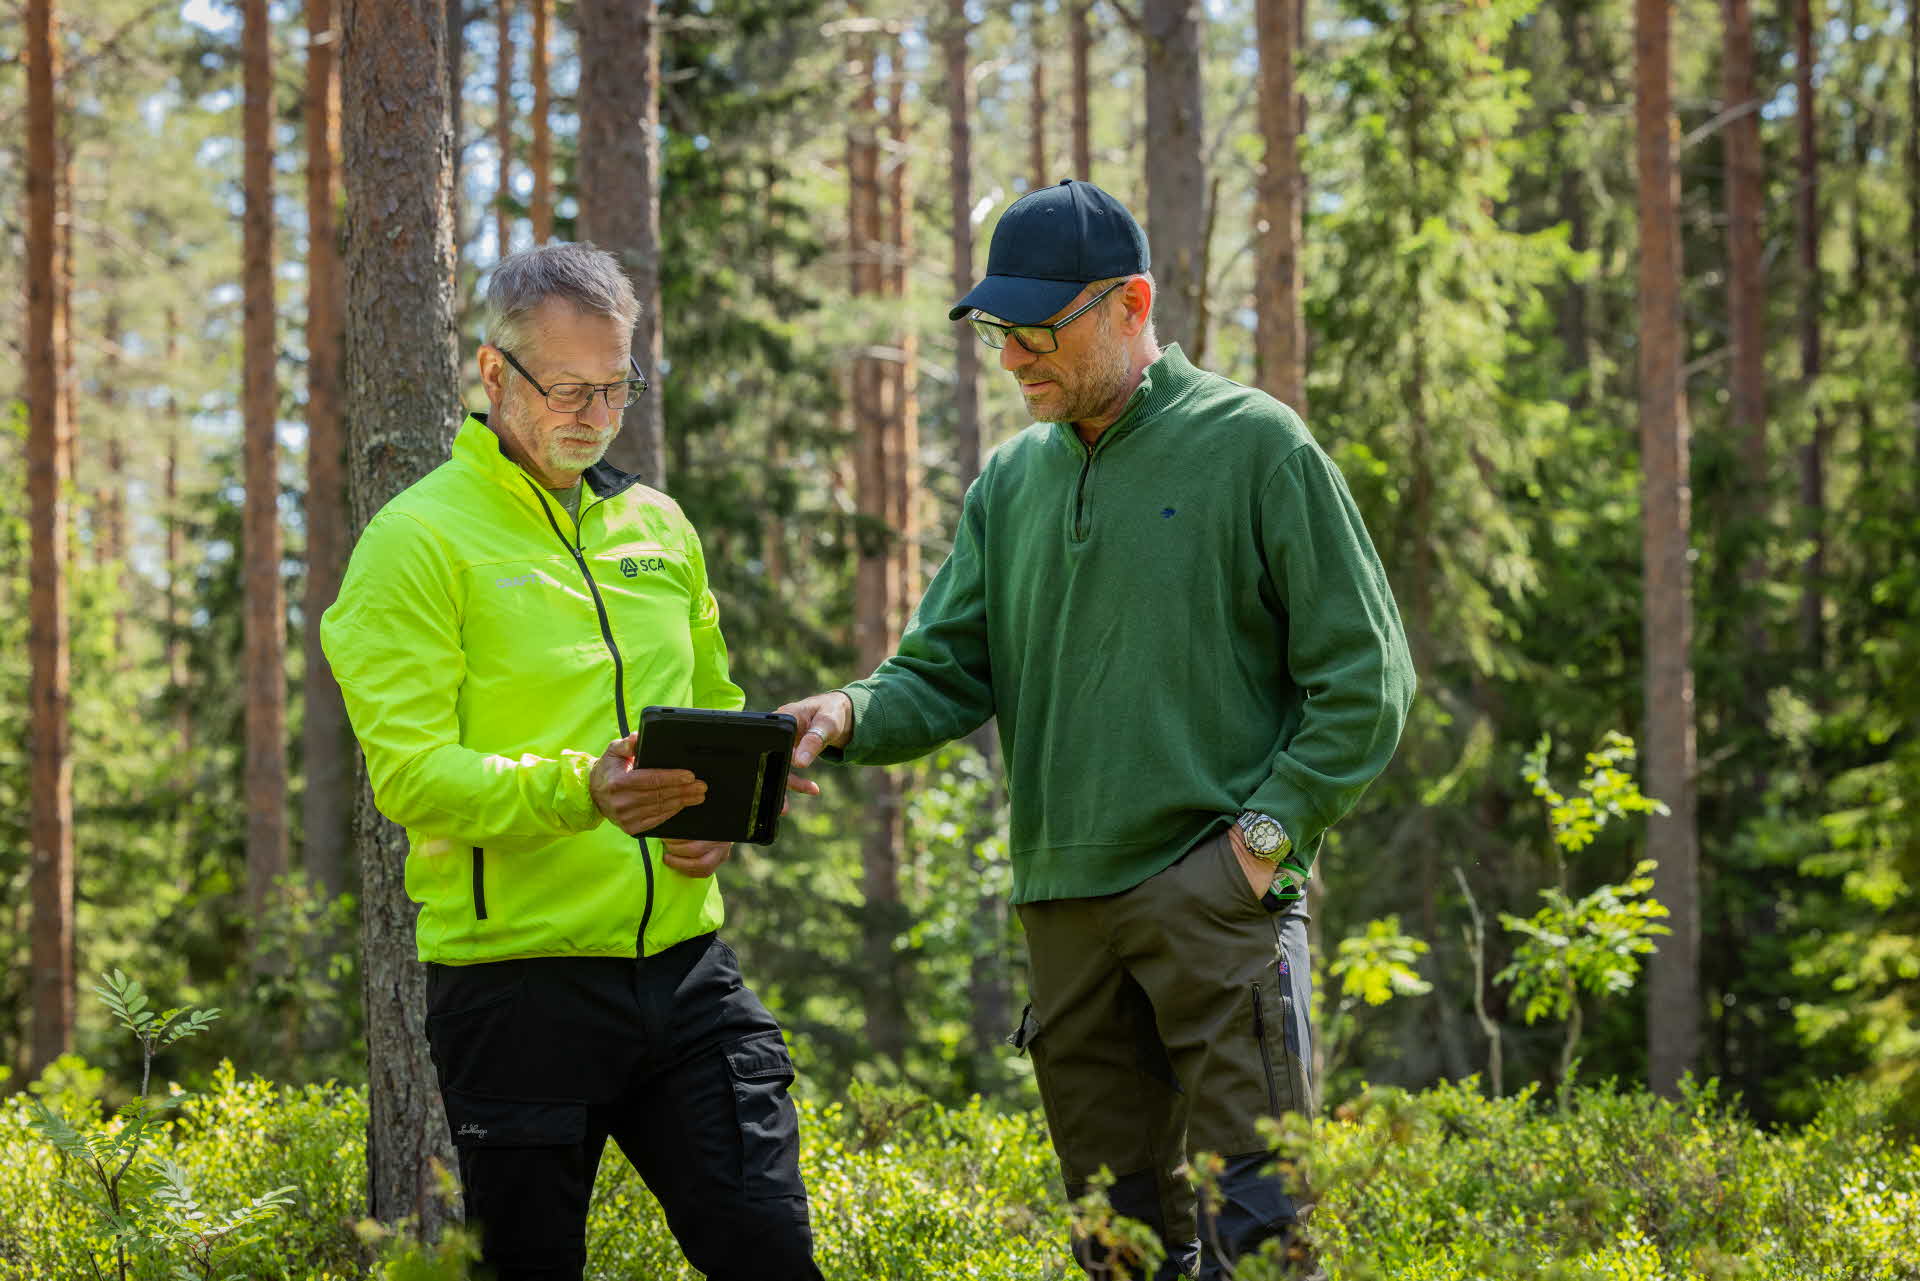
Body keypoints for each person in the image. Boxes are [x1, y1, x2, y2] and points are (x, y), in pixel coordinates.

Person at [779, 180, 1415, 1279]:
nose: (1016, 358)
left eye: (1038, 331)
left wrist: (1264, 844)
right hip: (1064, 920)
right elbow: (944, 669)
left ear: (1132, 303)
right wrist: (849, 713)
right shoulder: (1011, 481)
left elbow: (1366, 677)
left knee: (1260, 1241)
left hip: (1216, 906)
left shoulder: (1256, 444)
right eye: (998, 333)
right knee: (1116, 1250)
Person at [321, 241, 825, 1281]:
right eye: (569, 389)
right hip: (516, 993)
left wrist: (722, 807)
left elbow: (716, 705)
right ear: (494, 374)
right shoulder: (415, 544)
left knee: (771, 1253)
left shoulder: (659, 528)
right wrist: (580, 789)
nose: (595, 416)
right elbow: (410, 775)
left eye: (617, 387)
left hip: (686, 977)